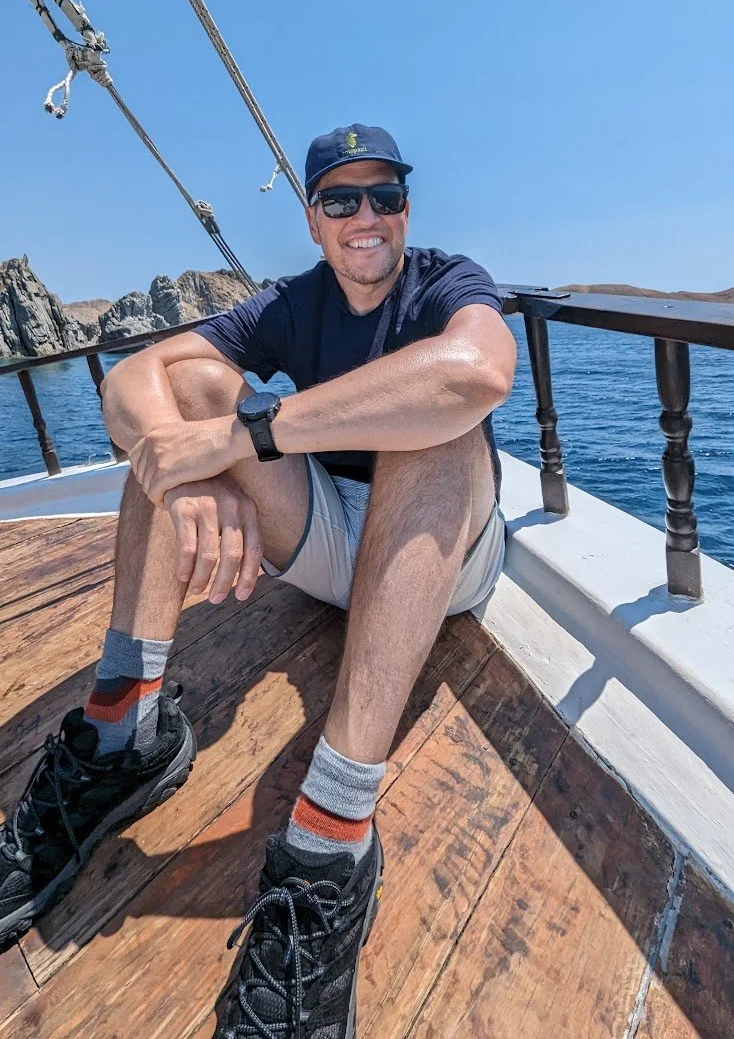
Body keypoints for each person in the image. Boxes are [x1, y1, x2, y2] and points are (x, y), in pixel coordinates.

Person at [0, 124, 516, 1038]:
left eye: (385, 195)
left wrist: (246, 437)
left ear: (406, 210)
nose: (366, 215)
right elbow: (131, 382)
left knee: (436, 426)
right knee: (188, 393)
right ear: (314, 220)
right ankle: (124, 729)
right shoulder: (291, 302)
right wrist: (187, 473)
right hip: (330, 542)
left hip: (443, 550)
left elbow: (478, 371)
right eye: (341, 199)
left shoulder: (445, 283)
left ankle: (334, 834)